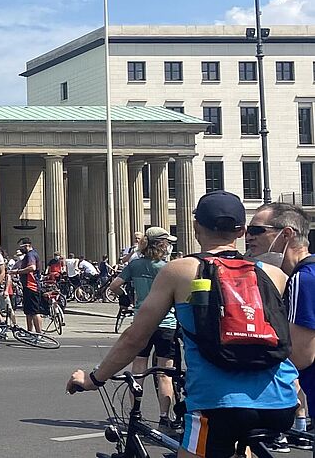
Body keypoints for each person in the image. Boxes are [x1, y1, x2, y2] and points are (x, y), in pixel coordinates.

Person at [67, 191, 299, 458]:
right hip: (280, 401)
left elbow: (135, 337)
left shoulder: (180, 270)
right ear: (241, 231)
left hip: (216, 405)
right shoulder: (273, 274)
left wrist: (94, 378)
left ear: (196, 226)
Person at [104, 228, 181, 429]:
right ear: (162, 245)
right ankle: (164, 416)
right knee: (164, 372)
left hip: (142, 321)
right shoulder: (168, 267)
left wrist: (126, 298)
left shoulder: (135, 265)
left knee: (138, 370)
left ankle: (135, 412)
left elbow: (114, 286)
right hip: (166, 323)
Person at [276, 202, 315, 450]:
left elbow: (301, 355)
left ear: (286, 234)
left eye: (257, 231)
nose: (248, 237)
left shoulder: (303, 277)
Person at [9, 238, 45, 334]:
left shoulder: (31, 255)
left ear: (27, 245)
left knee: (34, 312)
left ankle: (39, 333)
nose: (20, 249)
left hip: (32, 286)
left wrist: (16, 271)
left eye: (22, 247)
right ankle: (30, 331)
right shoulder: (29, 255)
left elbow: (32, 267)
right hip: (27, 286)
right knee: (28, 311)